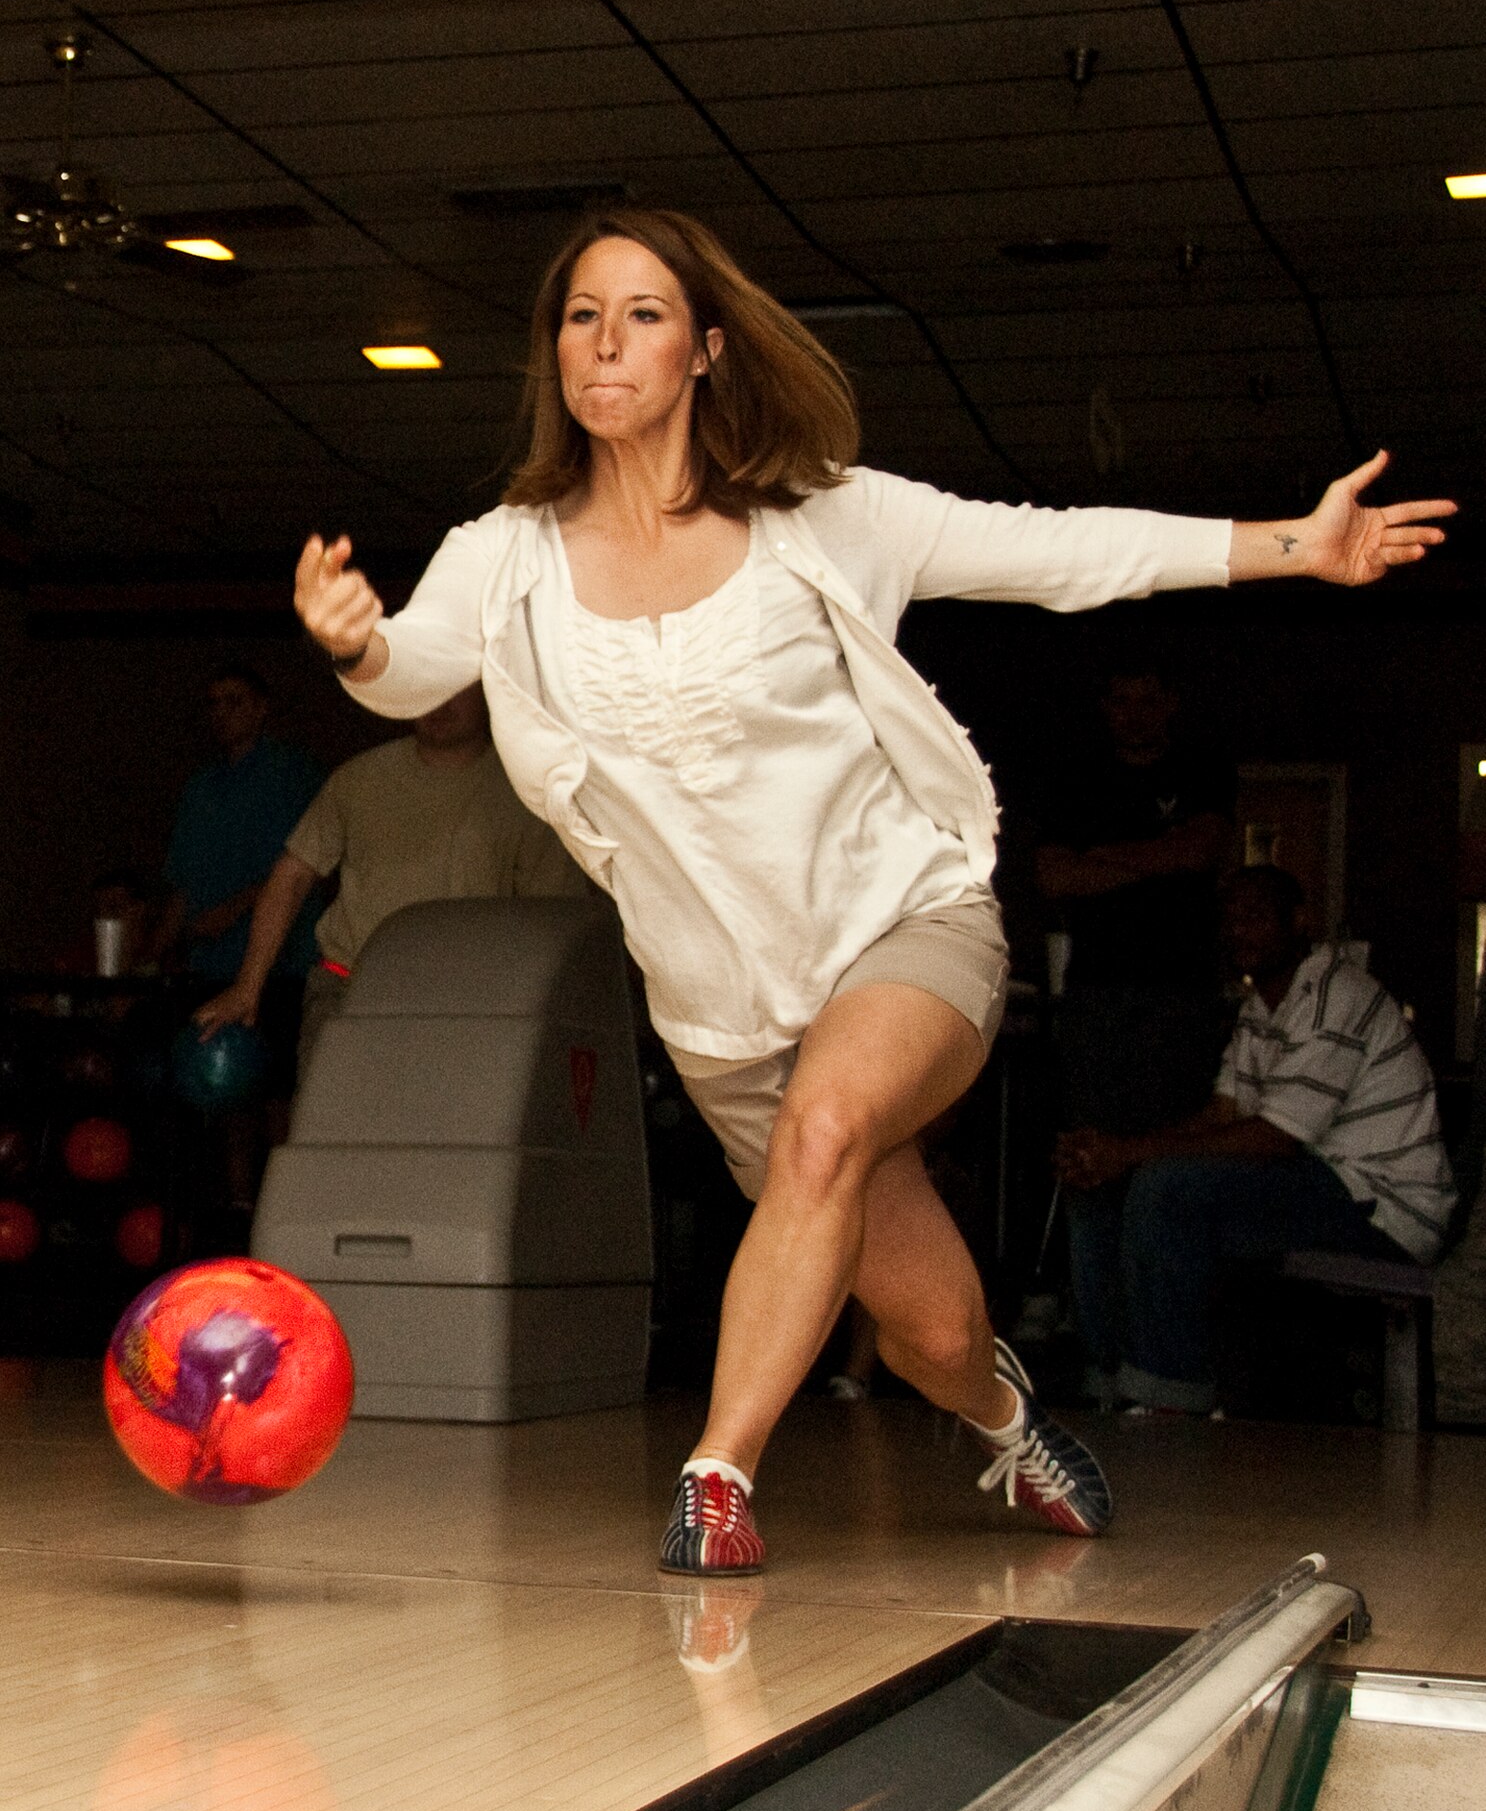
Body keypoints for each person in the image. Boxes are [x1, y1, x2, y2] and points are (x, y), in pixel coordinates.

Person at [289, 207, 1454, 1575]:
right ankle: (1009, 1426)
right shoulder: (509, 553)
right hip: (724, 1013)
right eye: (579, 316)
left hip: (903, 927)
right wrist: (355, 644)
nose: (603, 341)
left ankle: (716, 1479)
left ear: (706, 349)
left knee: (829, 1126)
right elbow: (418, 665)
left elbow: (1057, 552)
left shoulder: (825, 520)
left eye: (642, 313)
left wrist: (1285, 547)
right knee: (934, 1333)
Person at [1055, 866, 1456, 1414]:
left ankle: (1173, 1399)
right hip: (1318, 1184)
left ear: (1299, 922)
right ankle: (1110, 1382)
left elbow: (1275, 1138)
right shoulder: (1261, 1007)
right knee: (1103, 1189)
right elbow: (1222, 1113)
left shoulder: (1335, 994)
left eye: (1255, 917)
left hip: (1384, 1208)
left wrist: (1129, 1153)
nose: (1238, 931)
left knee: (1169, 1190)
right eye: (1231, 919)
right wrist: (1110, 1155)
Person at [194, 684, 586, 1074]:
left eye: (455, 686)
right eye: (427, 682)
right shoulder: (358, 779)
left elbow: (553, 921)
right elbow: (292, 874)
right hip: (351, 992)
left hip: (470, 1006)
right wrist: (248, 986)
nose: (439, 699)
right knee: (333, 1129)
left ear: (487, 693)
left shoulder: (525, 792)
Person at [1036, 661, 1236, 1396]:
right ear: (1106, 708)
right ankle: (1102, 1362)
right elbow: (1056, 877)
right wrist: (1156, 860)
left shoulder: (1203, 769)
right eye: (1121, 698)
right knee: (1088, 1164)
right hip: (1095, 1000)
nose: (1134, 713)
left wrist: (1107, 859)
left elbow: (1201, 849)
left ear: (1170, 704)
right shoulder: (1075, 779)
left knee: (1165, 1168)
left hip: (1181, 1001)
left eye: (1148, 697)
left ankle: (1162, 1364)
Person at [153, 663, 323, 988]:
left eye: (234, 702)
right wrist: (153, 954)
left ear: (261, 709)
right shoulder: (201, 788)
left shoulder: (293, 775)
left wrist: (233, 910)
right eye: (214, 703)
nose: (221, 713)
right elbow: (182, 884)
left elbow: (310, 865)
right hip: (208, 964)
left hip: (279, 966)